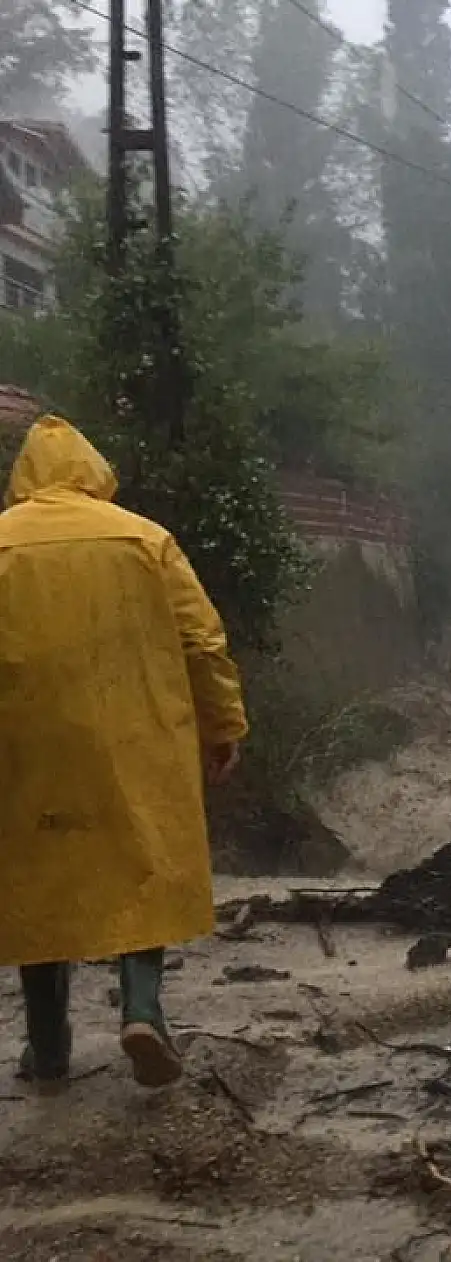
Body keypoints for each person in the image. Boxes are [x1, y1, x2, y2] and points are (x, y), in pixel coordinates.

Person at [0, 415, 248, 1093]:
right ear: (92, 470)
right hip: (136, 738)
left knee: (36, 880)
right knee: (145, 865)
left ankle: (48, 1048)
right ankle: (142, 1011)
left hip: (27, 746)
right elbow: (202, 641)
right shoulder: (145, 539)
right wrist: (222, 725)